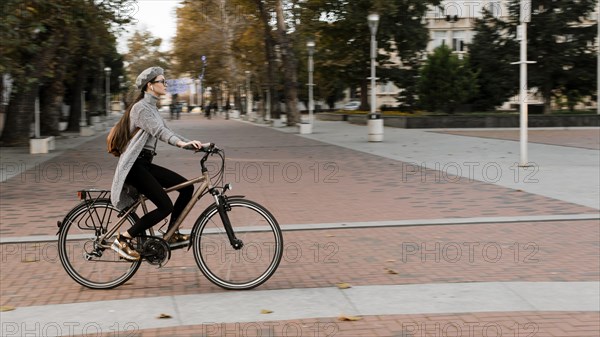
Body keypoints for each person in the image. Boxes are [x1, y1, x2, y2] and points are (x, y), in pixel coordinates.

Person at [110, 66, 204, 261]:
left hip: (144, 164)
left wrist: (194, 145)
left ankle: (172, 234)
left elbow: (170, 132)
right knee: (164, 206)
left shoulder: (152, 109)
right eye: (162, 81)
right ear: (150, 86)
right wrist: (181, 143)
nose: (166, 84)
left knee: (187, 188)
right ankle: (123, 239)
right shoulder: (141, 109)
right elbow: (161, 133)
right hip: (133, 166)